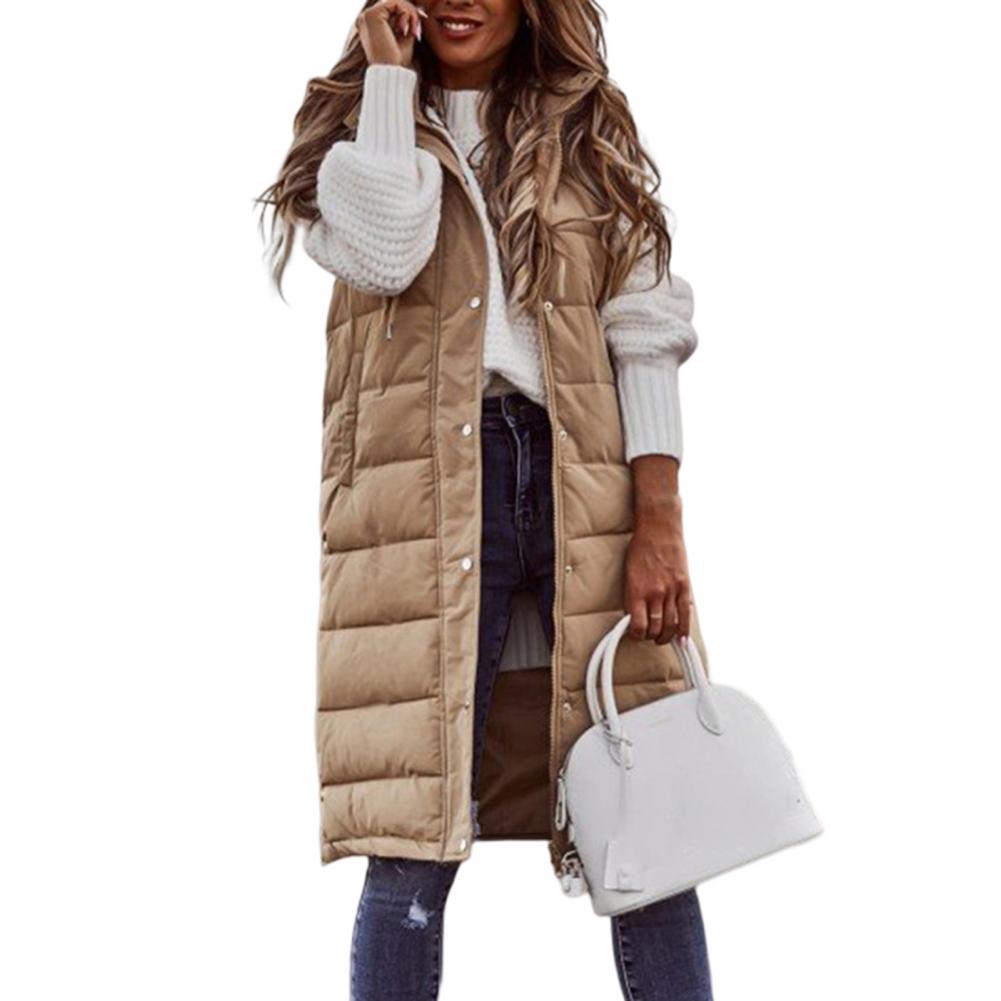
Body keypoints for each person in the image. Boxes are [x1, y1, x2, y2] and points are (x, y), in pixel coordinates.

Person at [259, 2, 714, 997]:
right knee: (410, 824)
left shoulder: (588, 130)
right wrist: (389, 82)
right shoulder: (353, 135)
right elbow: (387, 251)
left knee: (647, 812)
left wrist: (659, 519)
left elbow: (644, 324)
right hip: (419, 490)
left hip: (578, 475)